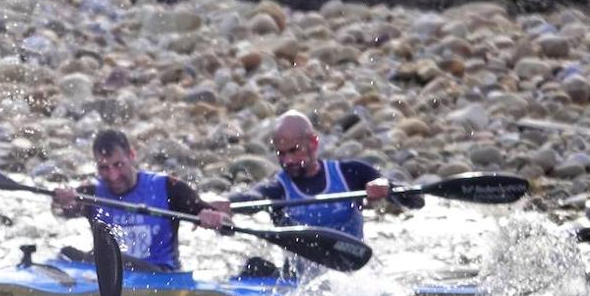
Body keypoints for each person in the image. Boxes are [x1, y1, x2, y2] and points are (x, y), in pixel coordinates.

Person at [226, 110, 423, 277]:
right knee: (254, 267)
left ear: (313, 143)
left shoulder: (351, 174)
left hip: (349, 276)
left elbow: (416, 201)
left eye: (294, 151)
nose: (287, 160)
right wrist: (224, 204)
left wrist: (386, 186)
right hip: (297, 281)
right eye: (281, 153)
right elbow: (252, 197)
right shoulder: (277, 189)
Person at [53, 128, 229, 271]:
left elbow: (227, 225)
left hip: (160, 274)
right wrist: (62, 201)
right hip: (111, 273)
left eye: (118, 165)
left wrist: (214, 218)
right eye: (104, 168)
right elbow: (60, 211)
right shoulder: (90, 192)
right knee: (67, 253)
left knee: (111, 258)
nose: (113, 176)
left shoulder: (169, 187)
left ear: (131, 155)